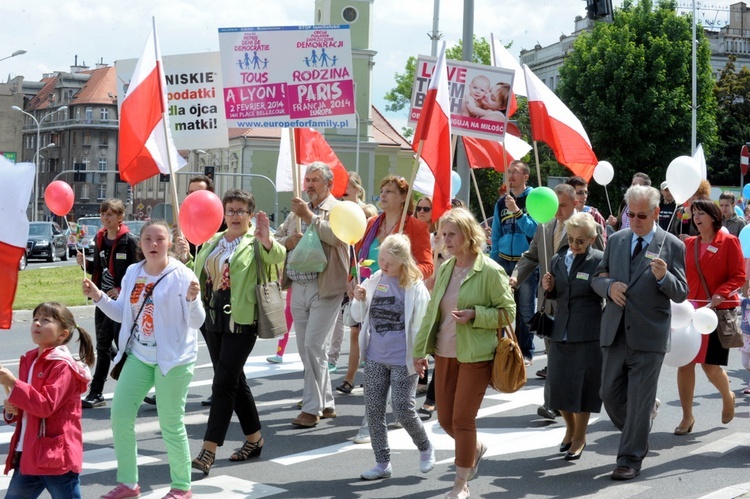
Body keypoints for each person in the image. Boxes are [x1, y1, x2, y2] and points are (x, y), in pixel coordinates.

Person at [83, 220, 205, 499]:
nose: (153, 244)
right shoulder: (133, 274)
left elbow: (197, 322)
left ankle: (182, 487)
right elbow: (121, 313)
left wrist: (192, 299)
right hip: (139, 355)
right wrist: (98, 295)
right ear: (141, 244)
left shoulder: (182, 275)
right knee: (120, 415)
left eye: (160, 239)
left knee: (170, 423)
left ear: (170, 243)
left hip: (173, 360)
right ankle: (128, 483)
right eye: (148, 239)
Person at [413, 208, 516, 499]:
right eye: (442, 234)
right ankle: (475, 449)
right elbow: (433, 313)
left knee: (462, 420)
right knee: (445, 420)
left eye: (450, 234)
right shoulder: (446, 267)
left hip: (476, 355)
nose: (444, 240)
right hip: (444, 353)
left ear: (468, 235)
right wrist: (420, 352)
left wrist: (475, 314)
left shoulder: (491, 270)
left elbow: (508, 314)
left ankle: (461, 483)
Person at [592, 185, 688, 481]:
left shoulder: (672, 244)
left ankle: (630, 457)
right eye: (630, 214)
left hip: (649, 335)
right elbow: (597, 277)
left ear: (657, 213)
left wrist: (664, 277)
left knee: (638, 399)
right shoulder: (617, 240)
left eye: (642, 215)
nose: (635, 220)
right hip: (616, 331)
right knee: (609, 394)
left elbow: (682, 292)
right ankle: (639, 424)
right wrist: (610, 287)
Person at [189, 190, 284, 474]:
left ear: (250, 214)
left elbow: (277, 255)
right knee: (234, 380)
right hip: (212, 319)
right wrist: (184, 256)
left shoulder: (256, 240)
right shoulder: (214, 240)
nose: (234, 216)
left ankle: (209, 449)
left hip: (242, 320)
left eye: (240, 211)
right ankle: (254, 439)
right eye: (230, 210)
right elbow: (199, 272)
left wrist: (267, 240)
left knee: (223, 383)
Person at [512, 184, 604, 419]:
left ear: (574, 203)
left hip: (581, 309)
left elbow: (602, 262)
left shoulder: (585, 226)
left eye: (562, 205)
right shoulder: (545, 226)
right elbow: (531, 256)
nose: (557, 211)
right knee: (556, 359)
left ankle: (595, 400)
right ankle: (552, 403)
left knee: (581, 364)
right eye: (554, 205)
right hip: (550, 302)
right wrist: (515, 277)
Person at [338, 175, 433, 397]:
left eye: (389, 191)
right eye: (382, 190)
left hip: (399, 297)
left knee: (397, 347)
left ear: (403, 198)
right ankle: (359, 383)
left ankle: (401, 400)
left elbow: (428, 265)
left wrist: (404, 274)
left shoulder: (416, 227)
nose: (383, 195)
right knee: (358, 335)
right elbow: (358, 257)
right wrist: (352, 277)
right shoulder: (372, 224)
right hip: (370, 294)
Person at [351, 234, 435, 480]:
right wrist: (359, 298)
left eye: (388, 261)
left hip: (403, 358)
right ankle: (382, 463)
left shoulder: (415, 287)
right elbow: (358, 315)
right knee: (374, 409)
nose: (383, 264)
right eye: (381, 258)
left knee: (402, 408)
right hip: (376, 356)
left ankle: (425, 447)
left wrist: (421, 354)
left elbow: (423, 323)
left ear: (402, 260)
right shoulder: (375, 279)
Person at [275, 162, 349, 428]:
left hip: (325, 286)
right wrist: (288, 242)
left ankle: (311, 408)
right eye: (307, 180)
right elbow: (279, 239)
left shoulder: (338, 209)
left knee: (313, 346)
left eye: (315, 180)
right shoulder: (296, 210)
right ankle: (326, 402)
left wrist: (309, 217)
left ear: (329, 184)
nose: (309, 185)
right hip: (298, 285)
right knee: (308, 349)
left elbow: (339, 237)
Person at [1, 303, 94, 499]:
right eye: (35, 318)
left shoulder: (63, 367)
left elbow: (44, 406)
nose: (37, 323)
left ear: (62, 334)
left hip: (55, 458)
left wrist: (13, 383)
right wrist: (11, 408)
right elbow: (27, 402)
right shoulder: (30, 359)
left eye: (46, 320)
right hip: (28, 453)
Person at [676, 199, 745, 435]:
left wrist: (721, 293)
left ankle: (728, 396)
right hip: (689, 310)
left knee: (710, 367)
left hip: (715, 313)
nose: (696, 217)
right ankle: (687, 417)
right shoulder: (689, 244)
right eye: (694, 213)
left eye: (701, 213)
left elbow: (739, 276)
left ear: (714, 217)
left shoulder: (729, 242)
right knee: (684, 364)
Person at [541, 213, 604, 461]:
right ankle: (569, 427)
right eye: (570, 239)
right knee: (558, 385)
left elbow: (601, 291)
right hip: (560, 330)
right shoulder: (559, 258)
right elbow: (557, 294)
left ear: (591, 240)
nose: (574, 245)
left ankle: (580, 435)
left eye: (580, 241)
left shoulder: (597, 260)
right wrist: (550, 287)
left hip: (588, 331)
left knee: (584, 386)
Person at [77, 199, 140, 409]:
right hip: (102, 299)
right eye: (103, 214)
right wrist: (85, 263)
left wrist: (122, 290)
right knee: (104, 345)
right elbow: (98, 267)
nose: (105, 218)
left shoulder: (129, 241)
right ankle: (100, 392)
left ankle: (99, 391)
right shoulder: (100, 239)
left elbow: (140, 270)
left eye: (110, 215)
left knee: (115, 345)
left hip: (122, 302)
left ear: (120, 217)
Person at [490, 160, 538, 364]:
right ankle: (499, 348)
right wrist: (492, 262)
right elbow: (495, 234)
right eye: (508, 172)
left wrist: (517, 212)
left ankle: (525, 351)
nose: (510, 176)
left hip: (525, 262)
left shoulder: (534, 200)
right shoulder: (501, 203)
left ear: (526, 176)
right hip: (503, 260)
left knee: (525, 308)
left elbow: (535, 231)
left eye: (515, 172)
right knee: (501, 306)